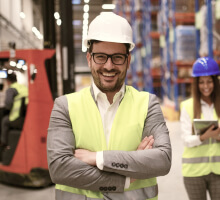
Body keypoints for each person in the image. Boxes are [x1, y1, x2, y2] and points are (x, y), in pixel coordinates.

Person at [47, 12, 171, 200]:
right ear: (89, 59)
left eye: (117, 57)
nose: (109, 66)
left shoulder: (148, 104)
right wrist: (127, 178)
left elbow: (162, 161)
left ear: (128, 60)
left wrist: (98, 158)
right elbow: (59, 169)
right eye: (101, 57)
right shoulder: (65, 106)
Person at [180, 57, 220, 200]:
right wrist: (205, 136)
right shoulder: (187, 106)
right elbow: (186, 139)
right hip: (194, 173)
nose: (206, 86)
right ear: (196, 84)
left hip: (218, 172)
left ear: (215, 81)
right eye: (201, 82)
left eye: (209, 81)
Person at [0, 72, 28, 147]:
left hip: (17, 118)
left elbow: (8, 105)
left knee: (4, 121)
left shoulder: (11, 89)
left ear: (8, 81)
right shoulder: (23, 87)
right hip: (26, 116)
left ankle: (3, 143)